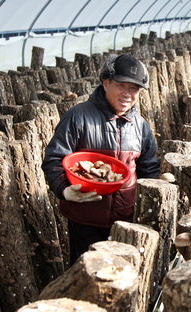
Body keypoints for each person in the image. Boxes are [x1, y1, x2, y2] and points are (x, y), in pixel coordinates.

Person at [42, 53, 160, 265]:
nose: (127, 93)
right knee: (88, 274)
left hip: (126, 222)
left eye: (134, 88)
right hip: (86, 220)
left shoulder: (140, 126)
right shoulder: (78, 116)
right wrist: (64, 190)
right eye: (121, 85)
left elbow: (149, 169)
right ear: (106, 83)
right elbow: (54, 158)